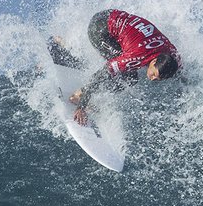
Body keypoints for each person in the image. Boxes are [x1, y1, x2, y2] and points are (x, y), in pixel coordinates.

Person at [49, 9, 182, 125]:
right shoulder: (136, 57)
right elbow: (102, 74)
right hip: (100, 29)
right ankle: (78, 95)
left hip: (111, 15)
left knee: (124, 69)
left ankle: (64, 43)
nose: (152, 78)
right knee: (129, 78)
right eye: (154, 74)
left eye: (157, 79)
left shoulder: (171, 52)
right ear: (153, 62)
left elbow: (177, 69)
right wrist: (81, 107)